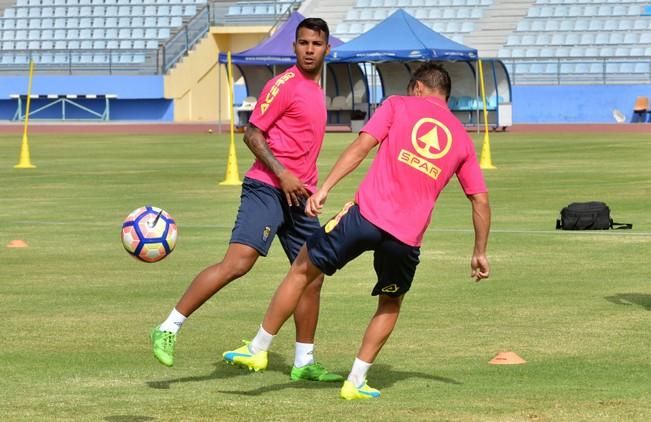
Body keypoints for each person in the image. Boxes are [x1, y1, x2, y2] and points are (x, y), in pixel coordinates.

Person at [222, 62, 491, 400]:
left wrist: (325, 188)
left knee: (303, 267)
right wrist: (479, 251)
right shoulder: (462, 139)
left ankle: (259, 347)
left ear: (418, 87)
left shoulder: (396, 105)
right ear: (446, 95)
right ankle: (356, 380)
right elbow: (479, 200)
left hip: (365, 217)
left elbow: (362, 147)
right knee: (390, 302)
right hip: (406, 238)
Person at [150, 17, 343, 383]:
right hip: (267, 186)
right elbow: (252, 133)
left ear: (326, 49)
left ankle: (304, 361)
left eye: (315, 44)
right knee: (239, 263)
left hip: (299, 197)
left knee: (313, 276)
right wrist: (282, 173)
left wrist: (306, 186)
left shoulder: (318, 89)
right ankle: (168, 327)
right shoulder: (283, 84)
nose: (308, 50)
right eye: (302, 43)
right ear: (294, 47)